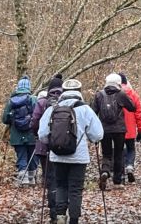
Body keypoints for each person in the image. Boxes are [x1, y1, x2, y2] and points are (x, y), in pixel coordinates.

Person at [38, 79, 104, 224]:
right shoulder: (85, 109)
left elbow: (42, 135)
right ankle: (74, 220)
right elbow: (98, 135)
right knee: (75, 190)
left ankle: (60, 216)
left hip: (57, 156)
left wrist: (54, 142)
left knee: (60, 186)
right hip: (79, 158)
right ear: (79, 92)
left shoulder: (53, 109)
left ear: (63, 92)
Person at [91, 73, 135, 189]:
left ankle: (105, 171)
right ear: (118, 82)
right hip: (119, 129)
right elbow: (132, 107)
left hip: (104, 129)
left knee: (106, 153)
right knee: (119, 153)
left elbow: (93, 113)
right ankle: (117, 180)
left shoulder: (99, 95)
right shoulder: (121, 94)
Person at [31, 74, 63, 223]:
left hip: (44, 147)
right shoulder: (66, 102)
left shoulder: (42, 102)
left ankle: (53, 212)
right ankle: (63, 209)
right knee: (62, 178)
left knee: (50, 179)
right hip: (63, 147)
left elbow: (35, 121)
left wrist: (37, 136)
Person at [2, 75, 38, 186]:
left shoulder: (11, 101)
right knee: (32, 155)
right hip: (32, 133)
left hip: (17, 135)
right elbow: (38, 116)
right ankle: (32, 179)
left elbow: (4, 119)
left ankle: (23, 179)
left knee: (21, 155)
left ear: (18, 87)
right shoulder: (34, 99)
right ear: (29, 87)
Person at [118, 73, 141, 182]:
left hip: (117, 129)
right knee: (131, 149)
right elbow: (138, 113)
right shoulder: (133, 94)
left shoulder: (112, 94)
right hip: (130, 128)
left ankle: (121, 174)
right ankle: (129, 166)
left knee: (119, 150)